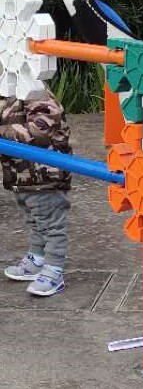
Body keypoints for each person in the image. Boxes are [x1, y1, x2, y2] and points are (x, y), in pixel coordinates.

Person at [1, 86, 71, 297]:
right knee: (34, 221)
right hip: (21, 176)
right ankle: (37, 260)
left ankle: (54, 271)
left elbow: (43, 127)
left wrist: (3, 133)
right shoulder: (7, 93)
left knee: (51, 226)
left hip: (45, 175)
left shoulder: (35, 91)